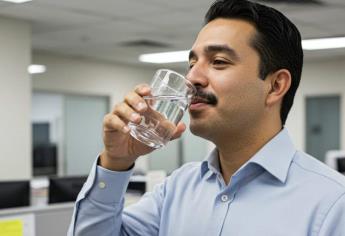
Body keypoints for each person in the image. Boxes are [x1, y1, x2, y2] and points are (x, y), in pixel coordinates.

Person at [68, 0, 345, 235]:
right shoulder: (177, 188)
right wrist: (116, 162)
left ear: (275, 86)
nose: (192, 78)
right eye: (192, 63)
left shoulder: (333, 202)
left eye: (219, 62)